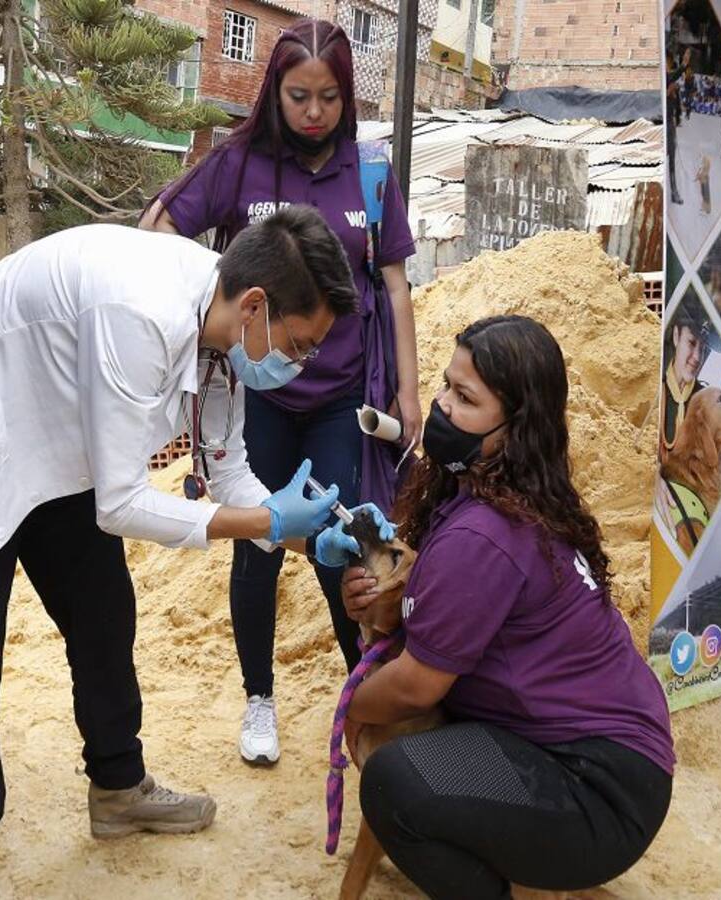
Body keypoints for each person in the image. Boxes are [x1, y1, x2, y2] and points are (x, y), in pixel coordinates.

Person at [0, 206, 393, 898]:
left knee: (104, 613)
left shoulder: (223, 330)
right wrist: (263, 519)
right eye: (299, 344)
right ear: (257, 306)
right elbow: (120, 506)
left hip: (57, 439)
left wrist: (311, 532)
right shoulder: (139, 314)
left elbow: (229, 472)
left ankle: (117, 788)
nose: (302, 362)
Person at [140, 19, 420, 765]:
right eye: (299, 95)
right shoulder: (241, 163)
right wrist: (187, 330)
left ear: (347, 97)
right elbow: (159, 227)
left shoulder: (371, 174)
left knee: (342, 548)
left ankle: (363, 696)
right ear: (276, 92)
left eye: (329, 97)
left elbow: (393, 283)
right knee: (258, 543)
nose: (314, 112)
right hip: (256, 400)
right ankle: (258, 702)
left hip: (336, 403)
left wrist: (411, 395)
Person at [340, 316, 675, 898]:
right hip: (587, 750)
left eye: (464, 399)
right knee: (412, 750)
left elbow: (417, 687)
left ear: (515, 428)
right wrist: (375, 601)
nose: (441, 407)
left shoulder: (485, 534)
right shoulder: (488, 487)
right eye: (446, 386)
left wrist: (349, 708)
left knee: (394, 783)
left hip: (599, 789)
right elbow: (434, 607)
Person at [660, 303, 715, 463]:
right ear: (676, 336)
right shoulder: (655, 388)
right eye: (691, 342)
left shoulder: (706, 405)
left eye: (703, 349)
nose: (697, 357)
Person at [666, 53, 684, 205]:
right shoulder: (661, 80)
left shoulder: (671, 83)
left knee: (672, 160)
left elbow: (676, 106)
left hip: (670, 127)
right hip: (659, 127)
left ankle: (674, 192)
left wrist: (677, 119)